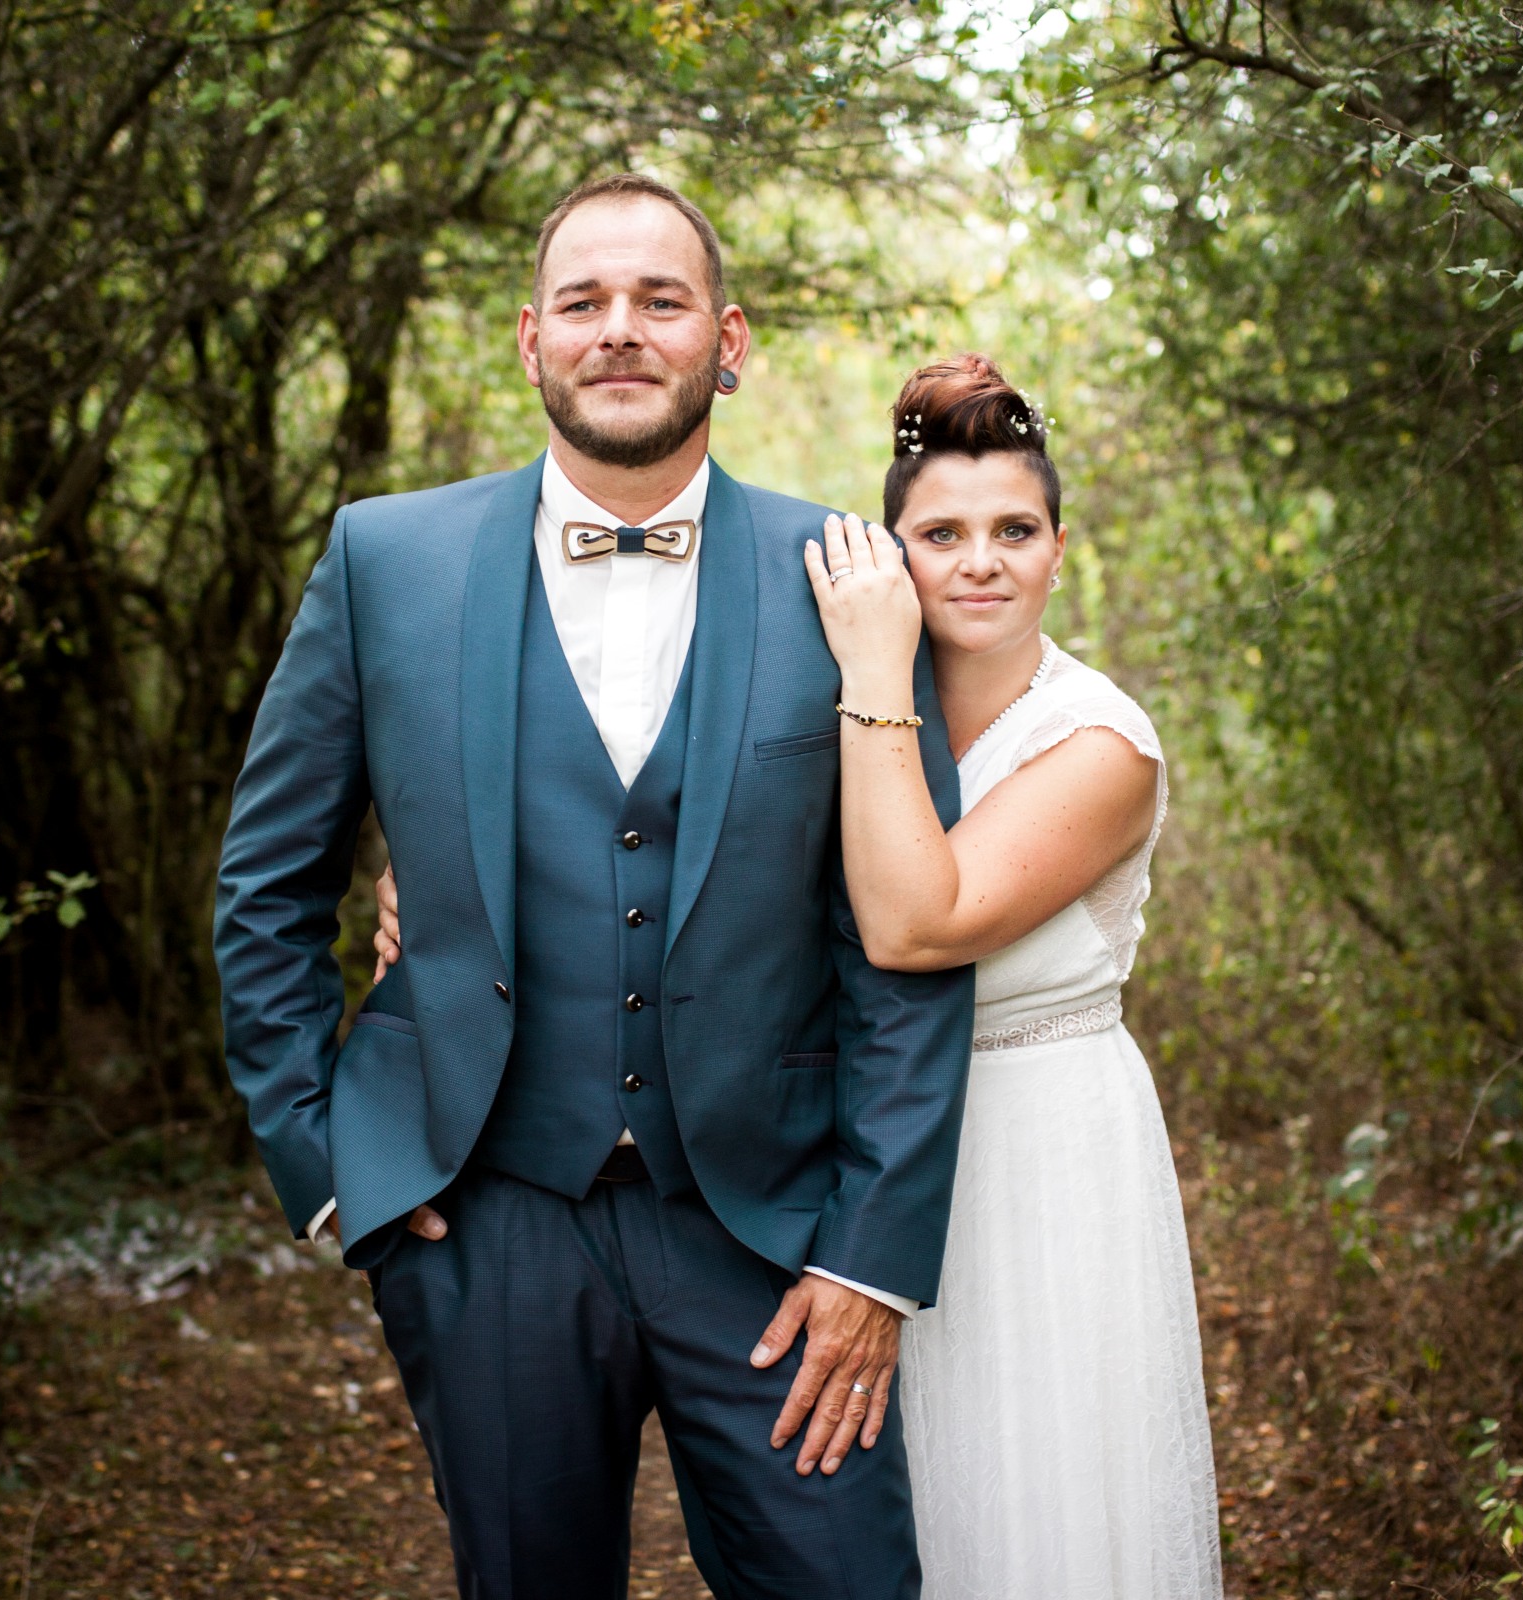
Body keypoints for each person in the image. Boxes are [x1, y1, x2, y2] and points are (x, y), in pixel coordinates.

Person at [210, 173, 974, 1600]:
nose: (620, 330)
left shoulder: (847, 579)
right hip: (485, 1224)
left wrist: (872, 1259)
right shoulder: (388, 560)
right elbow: (267, 880)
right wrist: (327, 1170)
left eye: (661, 301)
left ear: (728, 342)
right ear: (531, 339)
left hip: (773, 1235)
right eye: (585, 302)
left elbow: (904, 937)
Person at [376, 353, 1223, 1598]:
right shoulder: (827, 692)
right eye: (941, 532)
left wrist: (875, 672)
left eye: (1015, 529)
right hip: (823, 1167)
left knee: (1033, 1511)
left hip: (1033, 1171)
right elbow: (697, 886)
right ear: (893, 554)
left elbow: (913, 924)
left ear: (1058, 545)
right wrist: (445, 905)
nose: (979, 560)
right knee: (871, 1515)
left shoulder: (1099, 746)